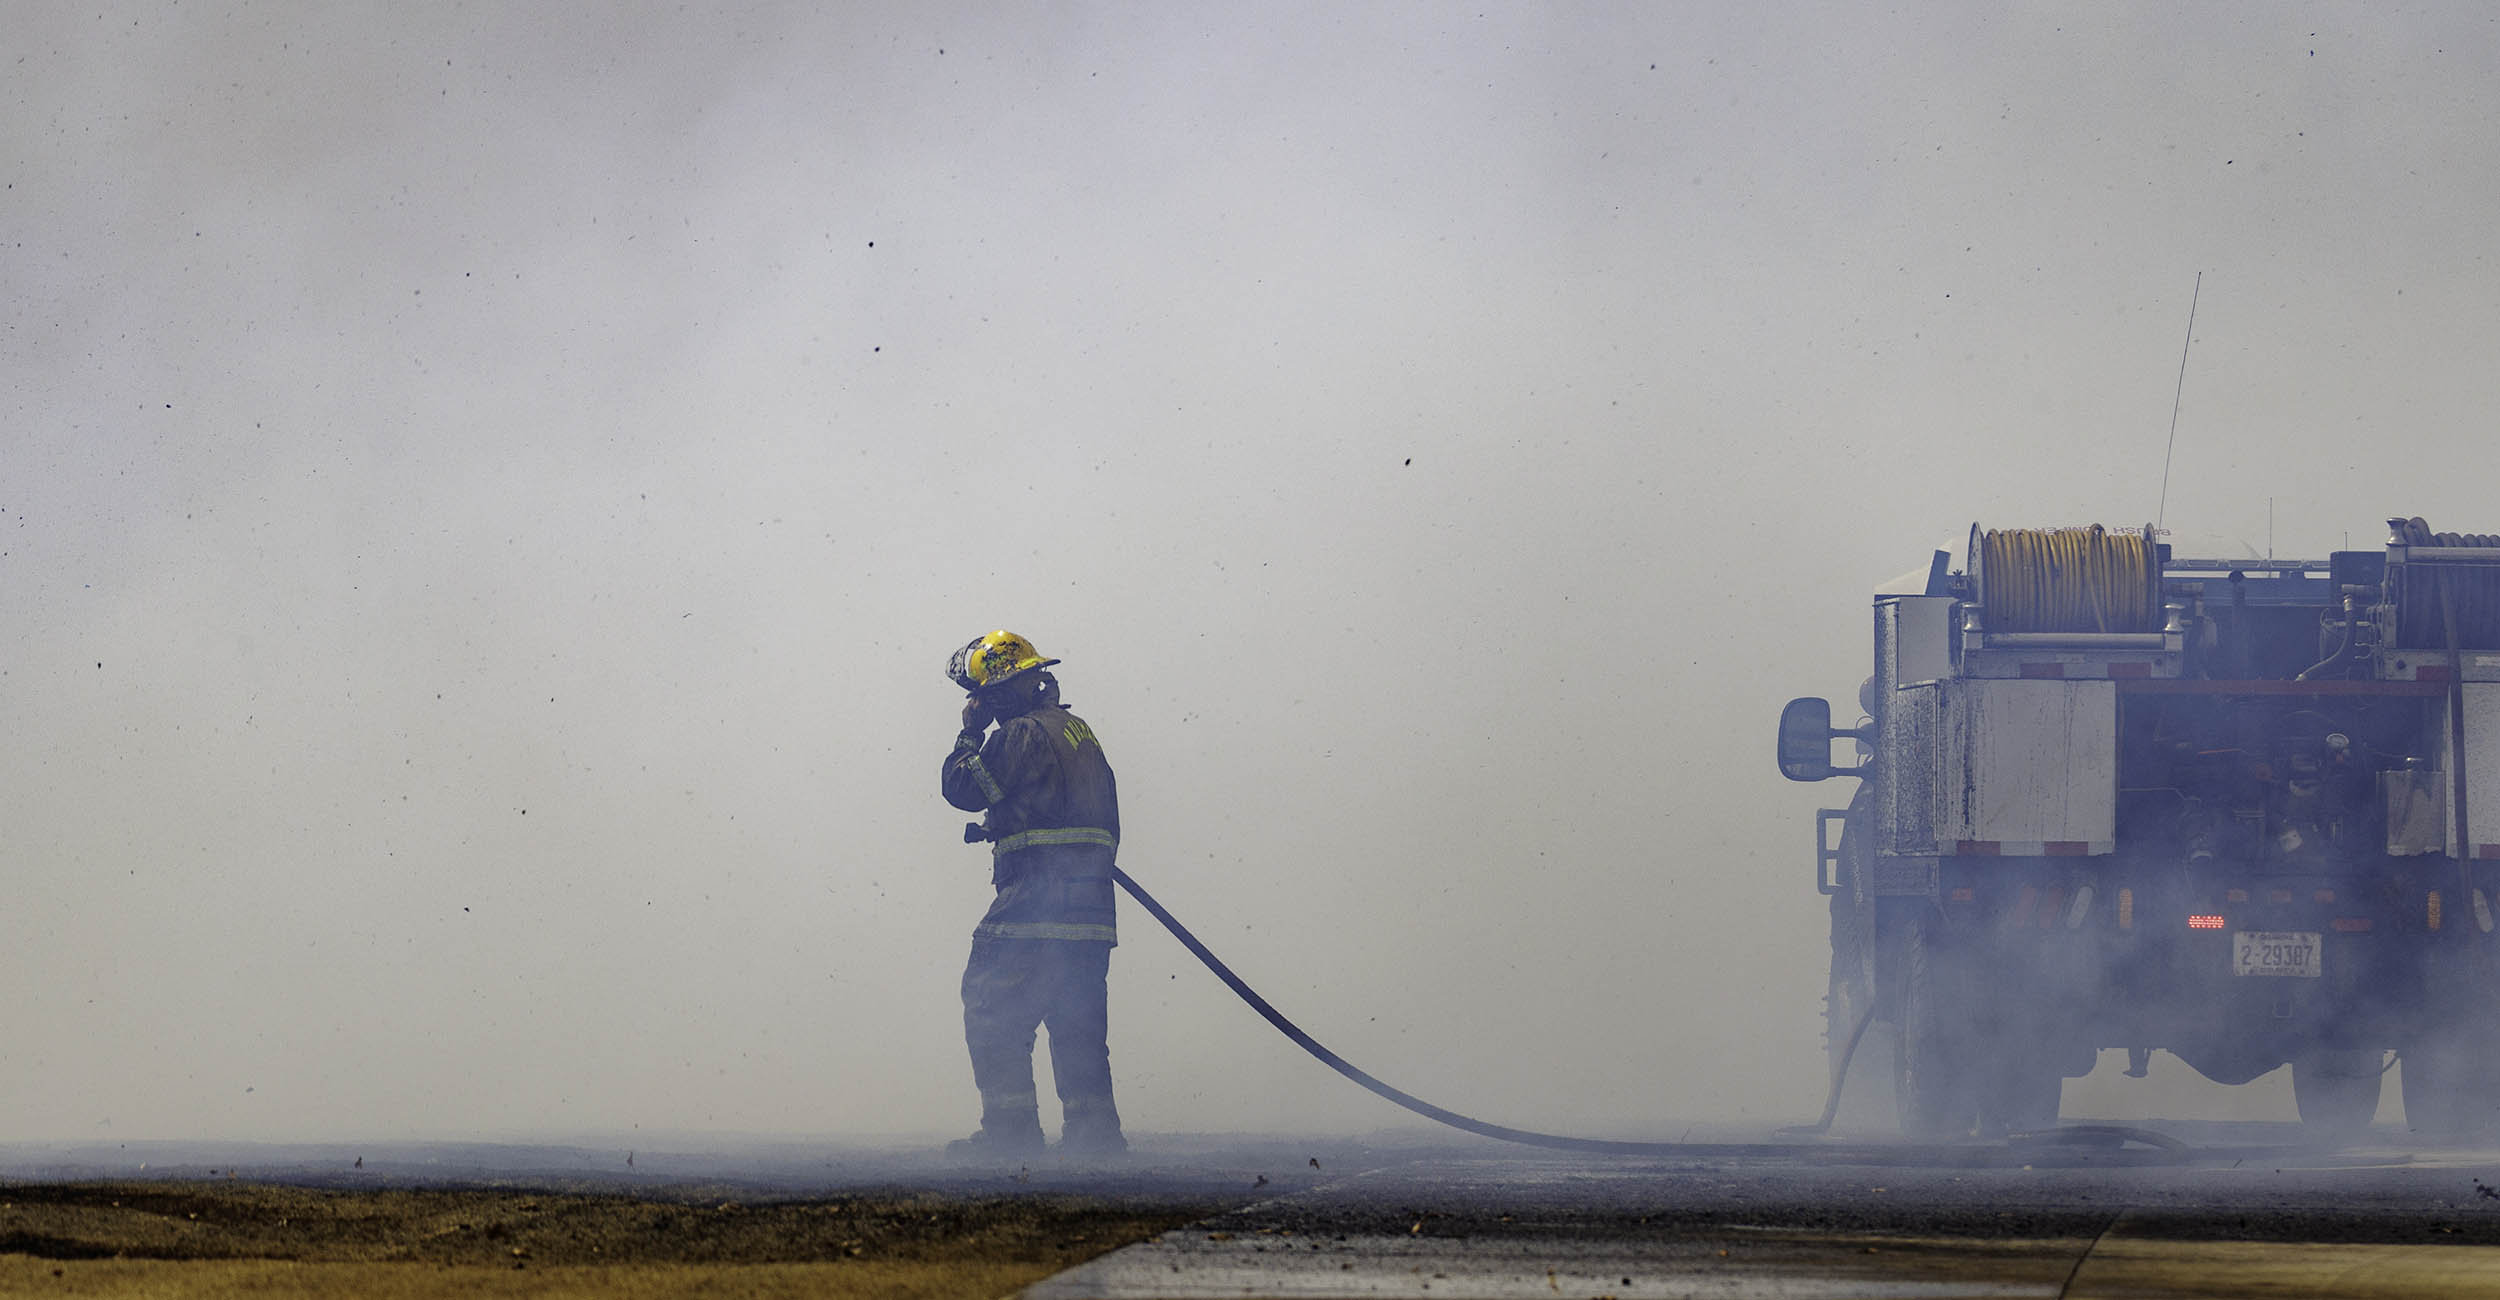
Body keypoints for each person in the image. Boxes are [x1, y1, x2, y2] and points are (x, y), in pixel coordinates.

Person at [940, 630, 1127, 1158]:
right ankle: (1096, 1139)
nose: (976, 706)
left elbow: (964, 788)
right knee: (1077, 1020)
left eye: (979, 696)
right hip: (1089, 911)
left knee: (990, 1002)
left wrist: (968, 736)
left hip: (1032, 902)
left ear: (998, 694)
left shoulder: (1020, 735)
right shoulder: (1077, 732)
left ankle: (1011, 1133)